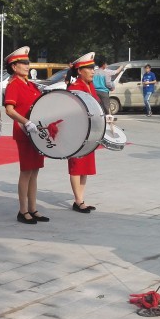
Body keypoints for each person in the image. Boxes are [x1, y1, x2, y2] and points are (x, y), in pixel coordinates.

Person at [3, 46, 48, 224]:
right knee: (26, 172)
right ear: (14, 66)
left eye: (28, 62)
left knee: (34, 172)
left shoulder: (30, 84)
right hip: (24, 132)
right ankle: (23, 210)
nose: (27, 65)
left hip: (35, 132)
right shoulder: (14, 84)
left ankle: (33, 208)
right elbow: (9, 109)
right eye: (23, 63)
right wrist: (25, 122)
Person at [65, 56, 99, 213]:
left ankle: (81, 199)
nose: (93, 71)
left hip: (89, 133)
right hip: (77, 133)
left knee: (85, 167)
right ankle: (78, 201)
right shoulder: (74, 88)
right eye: (89, 68)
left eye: (93, 68)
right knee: (76, 166)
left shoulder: (90, 86)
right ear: (79, 71)